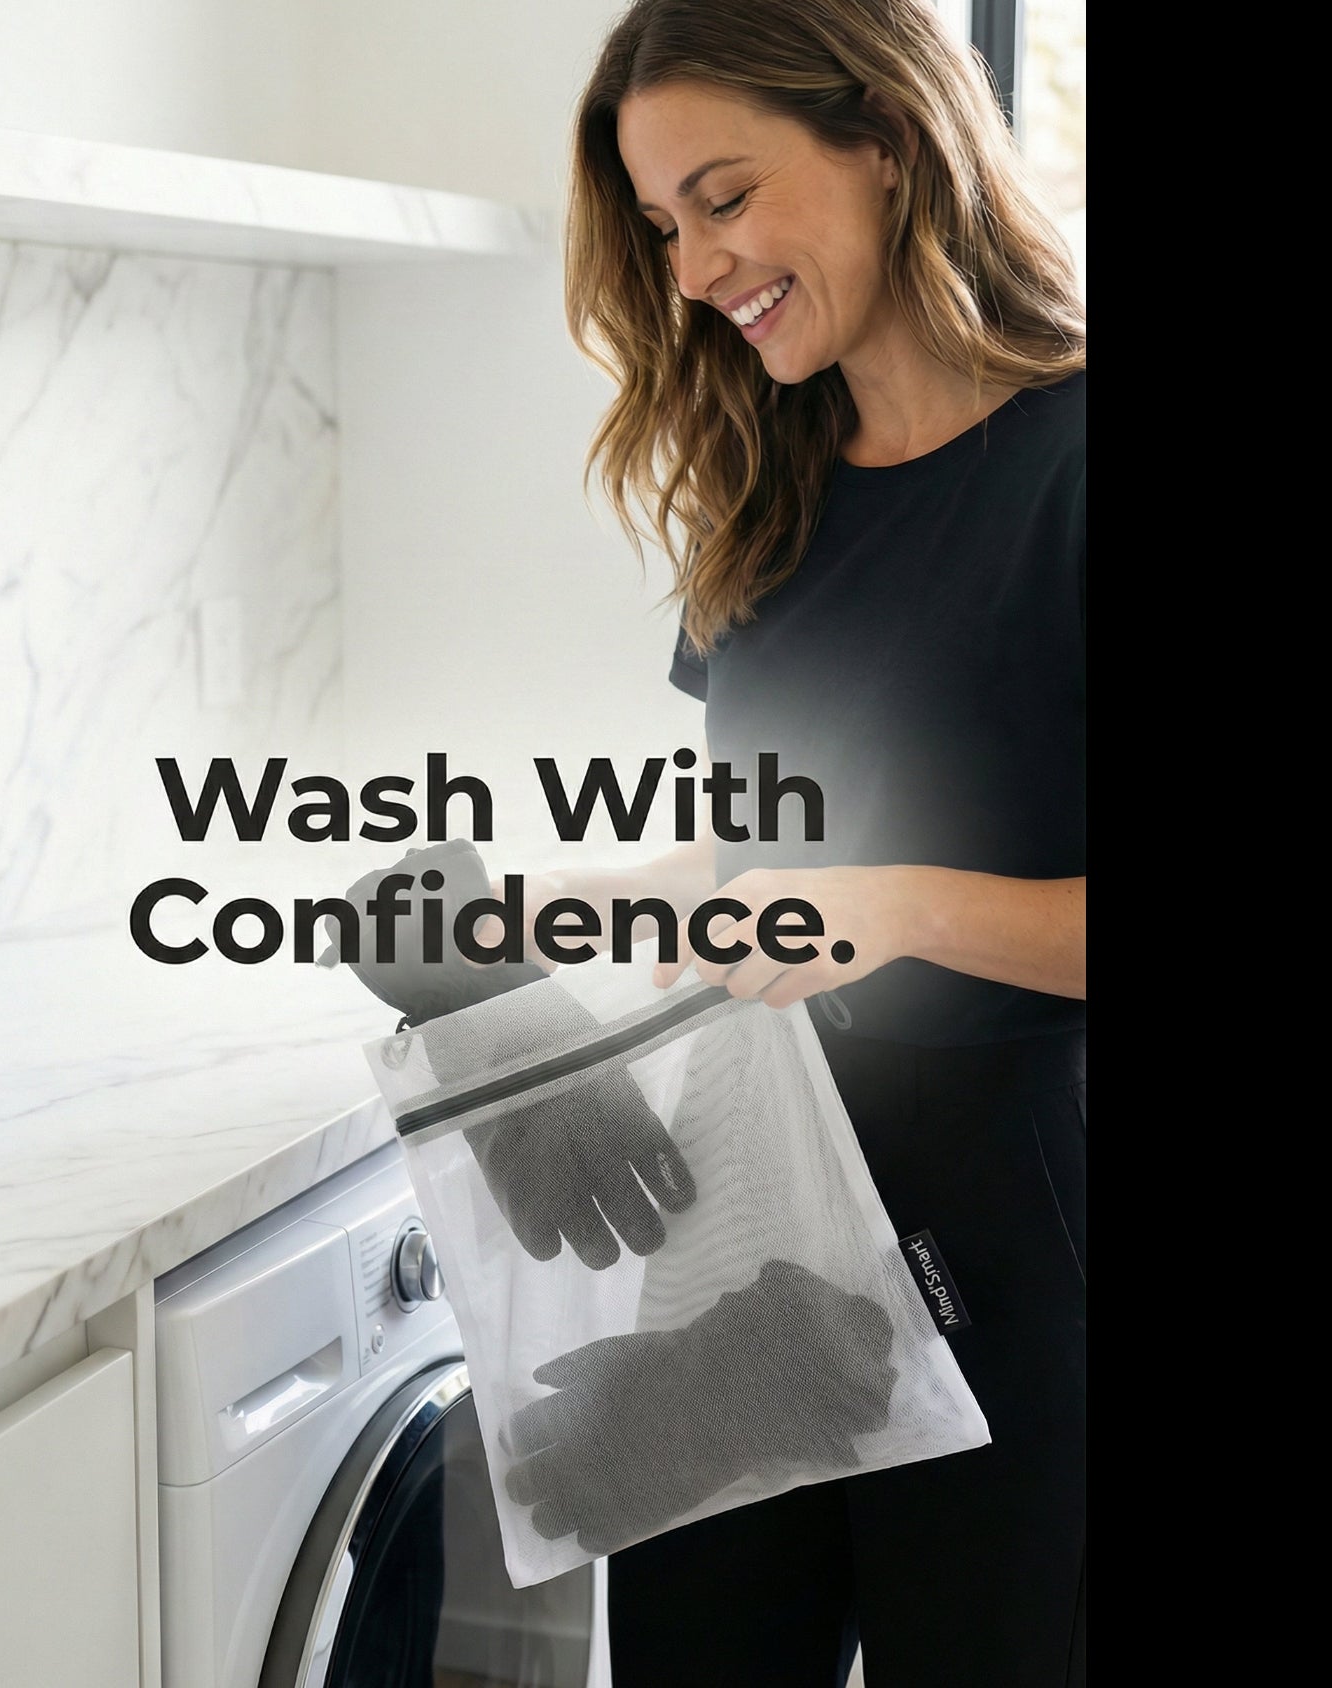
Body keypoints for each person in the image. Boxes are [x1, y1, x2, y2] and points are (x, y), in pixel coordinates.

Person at [485, 1, 1085, 1683]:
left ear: (888, 142)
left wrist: (889, 908)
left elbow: (861, 889)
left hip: (1025, 1223)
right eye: (664, 227)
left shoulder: (1070, 465)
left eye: (726, 198)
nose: (692, 269)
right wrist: (563, 909)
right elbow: (771, 861)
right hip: (757, 1197)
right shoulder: (774, 483)